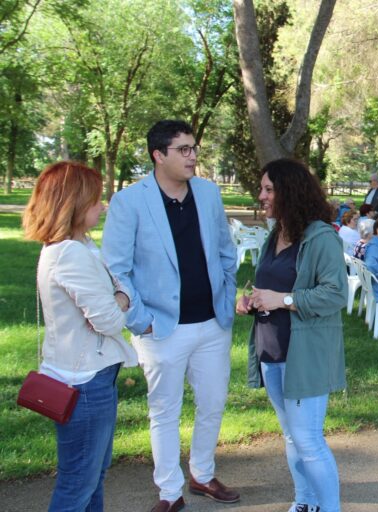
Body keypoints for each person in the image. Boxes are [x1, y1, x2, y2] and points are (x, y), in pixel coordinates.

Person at [102, 120, 239, 512]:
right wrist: (140, 320)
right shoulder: (130, 202)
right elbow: (116, 269)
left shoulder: (209, 194)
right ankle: (169, 491)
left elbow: (226, 253)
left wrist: (225, 298)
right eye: (183, 149)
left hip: (212, 323)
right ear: (158, 155)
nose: (193, 156)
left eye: (194, 148)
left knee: (212, 403)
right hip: (160, 328)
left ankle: (202, 473)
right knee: (164, 410)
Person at [22, 161, 138, 512]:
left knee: (92, 476)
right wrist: (121, 298)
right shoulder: (70, 253)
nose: (102, 206)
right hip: (84, 382)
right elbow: (109, 319)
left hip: (88, 375)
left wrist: (118, 295)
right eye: (95, 200)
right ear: (73, 203)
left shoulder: (78, 245)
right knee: (79, 482)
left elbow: (115, 293)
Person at [237, 158, 347, 512]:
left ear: (290, 191)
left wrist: (283, 300)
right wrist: (254, 299)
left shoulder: (321, 237)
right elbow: (276, 285)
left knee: (308, 439)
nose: (261, 195)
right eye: (262, 189)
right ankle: (305, 502)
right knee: (291, 437)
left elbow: (335, 294)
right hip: (271, 353)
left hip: (304, 357)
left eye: (269, 189)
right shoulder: (277, 233)